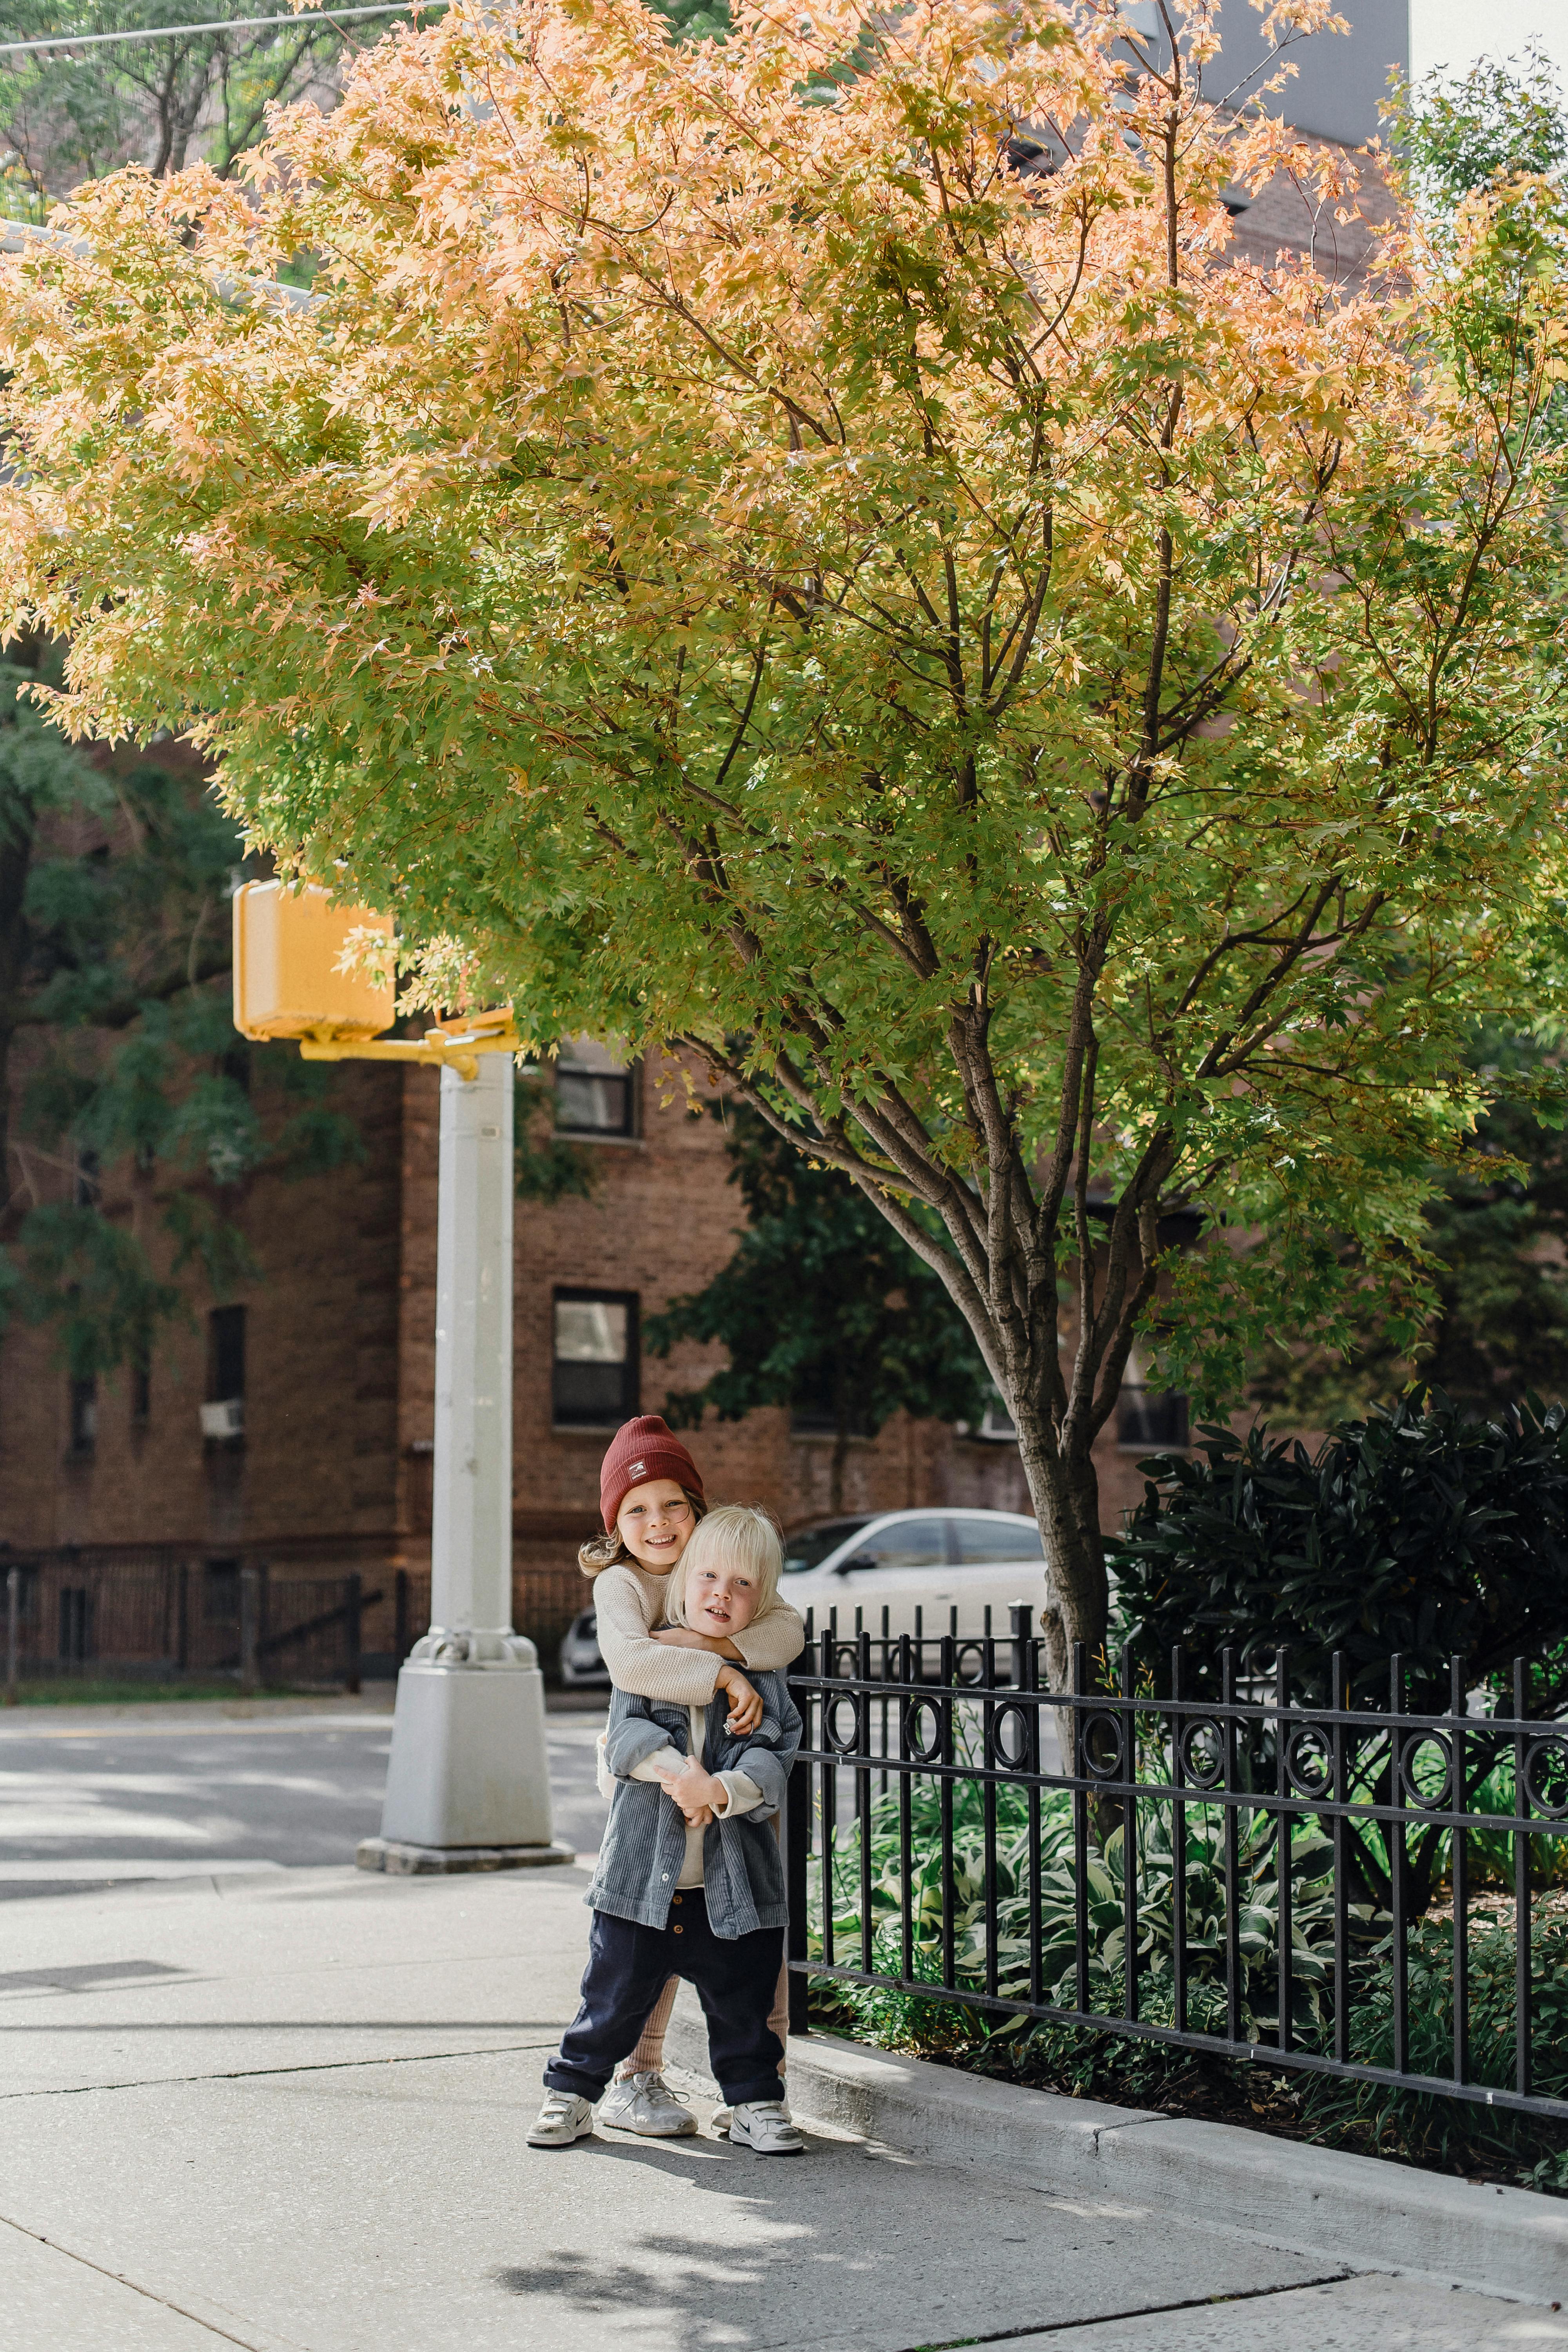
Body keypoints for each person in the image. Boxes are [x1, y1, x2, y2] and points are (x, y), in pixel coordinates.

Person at [530, 1504, 805, 2155]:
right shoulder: (651, 1659)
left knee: (744, 2009)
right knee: (610, 2002)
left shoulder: (764, 1672)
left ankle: (755, 2105)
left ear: (761, 1598)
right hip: (641, 1884)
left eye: (743, 1585)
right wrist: (681, 1775)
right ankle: (572, 2095)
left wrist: (722, 1791)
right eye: (709, 1576)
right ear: (683, 1580)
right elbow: (624, 1735)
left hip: (731, 1888)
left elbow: (775, 1751)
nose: (722, 1593)